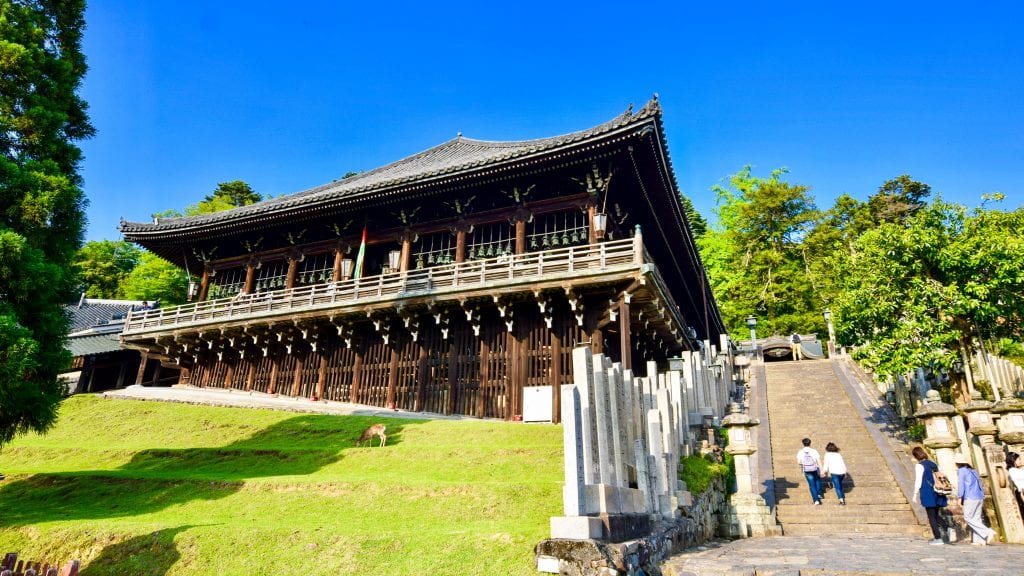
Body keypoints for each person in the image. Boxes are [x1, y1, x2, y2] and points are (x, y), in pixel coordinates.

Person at [955, 453, 996, 545]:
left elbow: (961, 485)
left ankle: (987, 532)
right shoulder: (973, 470)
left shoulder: (961, 471)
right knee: (976, 518)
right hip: (979, 496)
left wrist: (959, 497)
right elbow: (980, 484)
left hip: (970, 497)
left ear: (957, 463)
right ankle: (980, 541)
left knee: (968, 517)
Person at [912, 446, 949, 545]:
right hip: (938, 491)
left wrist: (915, 494)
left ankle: (938, 538)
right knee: (936, 514)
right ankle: (948, 528)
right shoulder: (933, 464)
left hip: (928, 492)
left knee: (931, 516)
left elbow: (918, 481)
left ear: (916, 456)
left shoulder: (919, 466)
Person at [796, 437, 823, 505]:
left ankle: (816, 500)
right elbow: (819, 461)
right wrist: (822, 470)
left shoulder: (800, 452)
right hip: (815, 468)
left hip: (807, 470)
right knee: (817, 480)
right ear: (810, 443)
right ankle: (819, 494)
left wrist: (804, 463)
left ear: (803, 444)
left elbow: (799, 462)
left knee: (812, 485)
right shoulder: (814, 451)